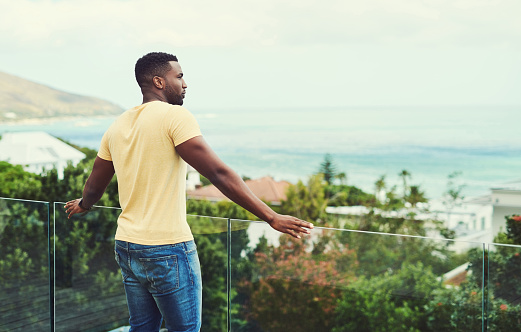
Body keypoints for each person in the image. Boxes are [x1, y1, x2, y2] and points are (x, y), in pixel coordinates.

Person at [64, 52, 314, 332]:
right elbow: (218, 173)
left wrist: (85, 204)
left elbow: (96, 184)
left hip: (127, 245)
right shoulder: (175, 117)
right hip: (167, 248)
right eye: (179, 76)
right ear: (159, 81)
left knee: (142, 328)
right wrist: (270, 216)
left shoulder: (118, 124)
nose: (185, 84)